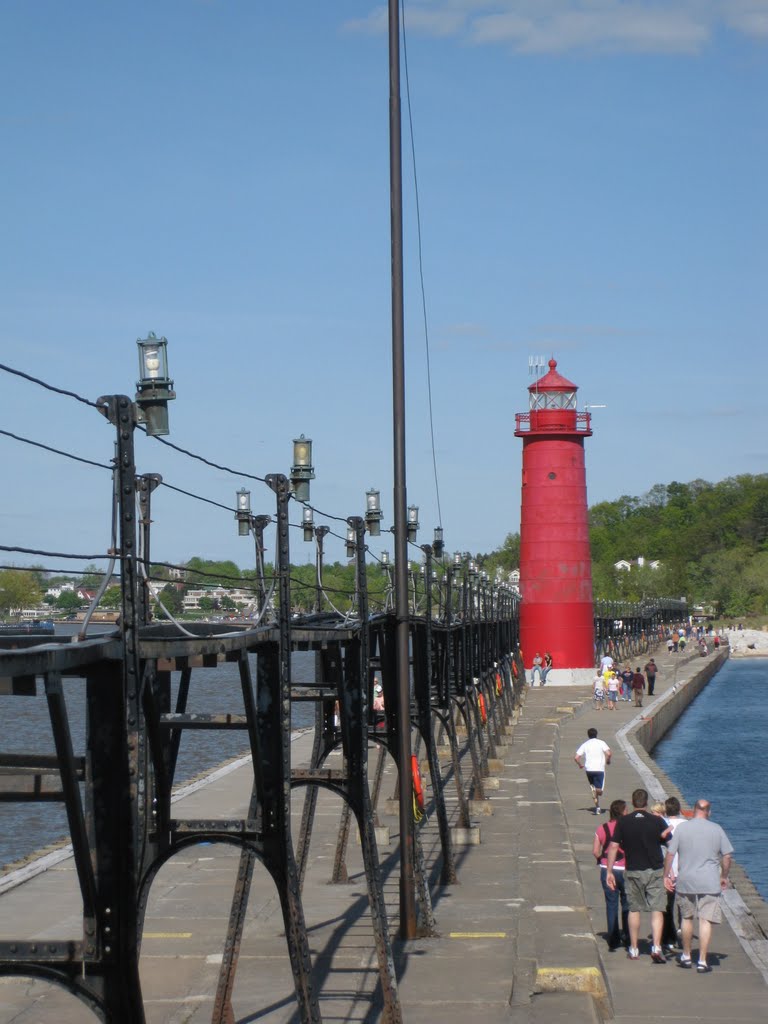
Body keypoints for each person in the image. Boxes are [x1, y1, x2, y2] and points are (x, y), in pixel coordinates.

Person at [664, 799, 733, 973]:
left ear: (694, 810)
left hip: (686, 879)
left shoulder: (682, 828)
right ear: (709, 812)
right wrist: (724, 876)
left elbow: (670, 854)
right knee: (705, 920)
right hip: (709, 881)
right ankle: (702, 960)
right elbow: (727, 856)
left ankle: (686, 955)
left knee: (686, 918)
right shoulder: (716, 829)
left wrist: (666, 875)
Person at [605, 788, 669, 963]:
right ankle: (656, 946)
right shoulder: (657, 821)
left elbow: (613, 847)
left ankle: (634, 948)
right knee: (657, 909)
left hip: (633, 869)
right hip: (655, 870)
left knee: (634, 909)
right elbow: (670, 843)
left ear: (633, 803)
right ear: (646, 802)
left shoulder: (624, 822)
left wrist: (609, 871)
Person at [593, 799, 630, 950]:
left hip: (607, 869)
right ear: (622, 812)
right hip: (625, 869)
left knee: (611, 903)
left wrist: (602, 859)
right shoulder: (627, 827)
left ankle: (613, 939)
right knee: (627, 904)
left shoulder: (602, 828)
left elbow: (595, 851)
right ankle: (628, 936)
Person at [661, 796, 688, 951]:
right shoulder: (687, 824)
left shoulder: (663, 824)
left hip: (669, 870)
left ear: (666, 810)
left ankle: (669, 938)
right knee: (684, 907)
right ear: (679, 810)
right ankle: (681, 932)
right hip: (685, 870)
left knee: (668, 906)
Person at [574, 727, 611, 815]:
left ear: (588, 735)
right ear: (596, 734)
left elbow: (576, 757)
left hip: (589, 770)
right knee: (599, 791)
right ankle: (596, 791)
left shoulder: (585, 744)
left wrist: (580, 765)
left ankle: (597, 808)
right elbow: (609, 753)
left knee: (594, 790)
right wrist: (608, 760)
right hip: (599, 769)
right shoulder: (601, 742)